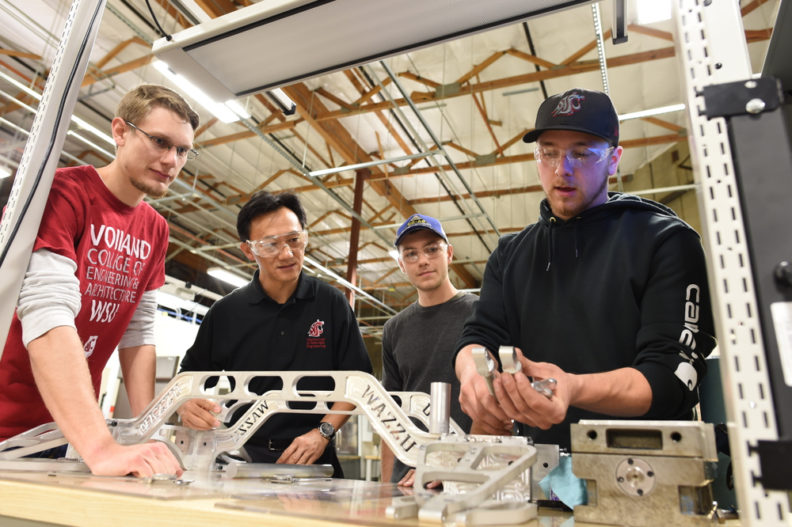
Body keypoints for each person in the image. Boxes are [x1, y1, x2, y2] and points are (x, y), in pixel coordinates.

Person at [454, 88, 717, 449]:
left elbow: (670, 377)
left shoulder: (665, 241)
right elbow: (479, 337)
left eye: (582, 153)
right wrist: (472, 373)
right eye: (549, 153)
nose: (562, 169)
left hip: (644, 472)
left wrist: (572, 388)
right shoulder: (510, 254)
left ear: (613, 160)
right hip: (538, 475)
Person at [0, 85, 200, 476]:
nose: (171, 160)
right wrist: (101, 446)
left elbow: (138, 334)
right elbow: (46, 313)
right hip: (6, 425)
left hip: (62, 433)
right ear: (121, 132)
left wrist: (144, 433)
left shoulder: (156, 230)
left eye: (182, 150)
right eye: (160, 141)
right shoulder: (61, 193)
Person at [178, 190, 373, 477]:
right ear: (248, 250)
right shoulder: (226, 313)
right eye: (271, 244)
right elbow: (188, 378)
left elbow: (358, 382)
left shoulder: (331, 303)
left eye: (294, 241)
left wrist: (323, 433)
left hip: (314, 457)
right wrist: (186, 404)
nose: (287, 254)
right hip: (240, 457)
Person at [380, 214, 476, 487]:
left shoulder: (480, 314)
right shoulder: (393, 329)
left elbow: (497, 403)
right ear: (401, 264)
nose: (423, 260)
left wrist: (459, 460)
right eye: (411, 254)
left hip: (469, 473)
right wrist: (386, 487)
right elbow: (391, 416)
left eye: (432, 249)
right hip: (408, 479)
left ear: (449, 253)